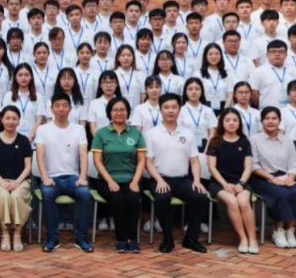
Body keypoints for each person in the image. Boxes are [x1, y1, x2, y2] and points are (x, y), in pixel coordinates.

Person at [144, 93, 209, 254]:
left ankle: (191, 239)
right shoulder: (151, 133)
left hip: (182, 180)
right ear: (160, 110)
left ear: (179, 110)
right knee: (162, 198)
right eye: (166, 107)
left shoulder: (187, 133)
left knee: (200, 197)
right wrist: (159, 180)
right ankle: (168, 239)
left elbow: (194, 160)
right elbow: (148, 162)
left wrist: (197, 180)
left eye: (174, 107)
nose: (170, 110)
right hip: (159, 178)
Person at [36, 93, 93, 253]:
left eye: (64, 105)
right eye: (57, 106)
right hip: (51, 178)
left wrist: (83, 177)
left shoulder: (79, 129)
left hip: (73, 177)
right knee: (47, 194)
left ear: (70, 109)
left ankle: (81, 238)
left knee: (84, 194)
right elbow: (40, 155)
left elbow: (83, 155)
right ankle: (52, 238)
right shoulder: (43, 129)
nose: (61, 109)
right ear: (51, 109)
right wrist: (45, 177)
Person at [91, 97, 146, 253]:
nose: (119, 113)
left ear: (128, 112)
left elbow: (141, 160)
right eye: (115, 110)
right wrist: (109, 180)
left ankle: (132, 239)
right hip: (107, 179)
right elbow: (97, 161)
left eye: (122, 109)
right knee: (118, 199)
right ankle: (121, 239)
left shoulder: (136, 133)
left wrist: (135, 181)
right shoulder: (101, 134)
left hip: (131, 179)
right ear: (109, 113)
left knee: (133, 199)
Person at [250, 106, 296, 249]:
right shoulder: (254, 139)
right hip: (262, 178)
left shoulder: (287, 140)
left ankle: (290, 230)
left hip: (285, 177)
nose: (270, 121)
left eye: (274, 118)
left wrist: (291, 177)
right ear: (262, 121)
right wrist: (271, 178)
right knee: (281, 194)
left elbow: (293, 165)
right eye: (267, 118)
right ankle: (278, 230)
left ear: (279, 121)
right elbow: (254, 165)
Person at [206, 108, 258, 254]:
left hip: (241, 182)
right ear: (222, 123)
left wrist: (241, 183)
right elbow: (212, 167)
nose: (231, 123)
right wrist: (224, 184)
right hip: (219, 183)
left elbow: (248, 167)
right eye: (227, 120)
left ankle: (252, 239)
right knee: (232, 201)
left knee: (243, 201)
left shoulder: (244, 141)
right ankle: (243, 238)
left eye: (235, 120)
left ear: (239, 123)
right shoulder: (215, 141)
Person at [0, 106, 33, 252]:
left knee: (17, 196)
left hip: (21, 181)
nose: (10, 121)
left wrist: (17, 182)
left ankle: (17, 233)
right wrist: (1, 181)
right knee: (5, 196)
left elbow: (28, 166)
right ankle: (5, 233)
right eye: (7, 118)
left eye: (14, 118)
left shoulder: (24, 140)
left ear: (19, 121)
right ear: (1, 120)